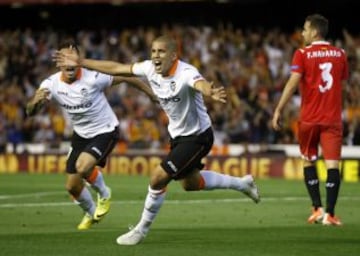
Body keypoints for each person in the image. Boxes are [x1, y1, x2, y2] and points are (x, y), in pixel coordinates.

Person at [54, 35, 260, 245]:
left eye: (161, 52)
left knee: (158, 178)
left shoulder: (186, 72)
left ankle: (140, 230)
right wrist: (81, 62)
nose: (156, 56)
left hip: (198, 136)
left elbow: (199, 83)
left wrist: (210, 91)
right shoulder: (149, 68)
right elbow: (117, 68)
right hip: (178, 136)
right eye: (153, 51)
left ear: (173, 55)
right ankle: (243, 184)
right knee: (191, 183)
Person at [27, 39, 157, 230]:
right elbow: (30, 112)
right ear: (59, 63)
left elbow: (128, 77)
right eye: (65, 58)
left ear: (79, 60)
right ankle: (90, 213)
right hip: (81, 135)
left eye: (73, 58)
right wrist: (34, 102)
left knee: (83, 166)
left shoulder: (94, 77)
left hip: (106, 130)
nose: (69, 63)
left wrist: (150, 93)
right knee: (72, 187)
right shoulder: (51, 84)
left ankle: (104, 194)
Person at [272, 14, 349, 226]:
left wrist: (278, 109)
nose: (303, 33)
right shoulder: (340, 54)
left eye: (305, 29)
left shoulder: (302, 53)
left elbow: (293, 82)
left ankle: (317, 208)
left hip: (309, 119)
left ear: (315, 32)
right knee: (333, 165)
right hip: (332, 119)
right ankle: (330, 215)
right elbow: (341, 81)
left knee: (308, 160)